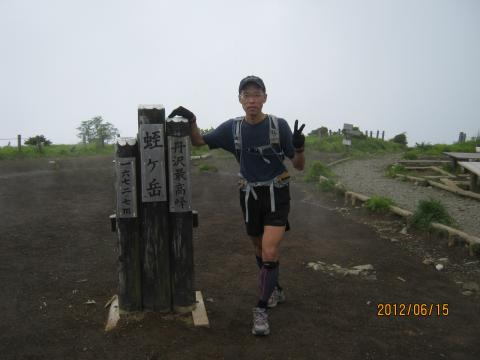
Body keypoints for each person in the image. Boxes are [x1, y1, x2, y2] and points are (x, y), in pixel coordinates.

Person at [168, 75, 305, 336]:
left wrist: (299, 148)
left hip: (277, 193)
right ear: (240, 99)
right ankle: (274, 288)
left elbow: (299, 165)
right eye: (247, 95)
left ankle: (261, 308)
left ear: (265, 98)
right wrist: (192, 119)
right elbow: (199, 141)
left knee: (269, 250)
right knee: (257, 245)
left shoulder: (280, 126)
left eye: (257, 94)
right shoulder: (233, 129)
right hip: (248, 195)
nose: (252, 100)